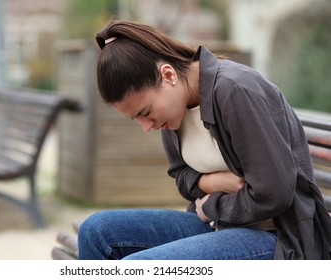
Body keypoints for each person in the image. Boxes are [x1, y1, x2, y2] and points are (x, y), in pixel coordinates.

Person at [63, 19, 331, 260]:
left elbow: (273, 195)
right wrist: (211, 182)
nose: (147, 127)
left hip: (279, 240)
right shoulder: (174, 108)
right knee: (95, 231)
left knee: (140, 267)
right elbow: (181, 176)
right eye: (136, 119)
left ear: (167, 75)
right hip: (217, 227)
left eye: (145, 112)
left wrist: (210, 206)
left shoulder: (235, 91)